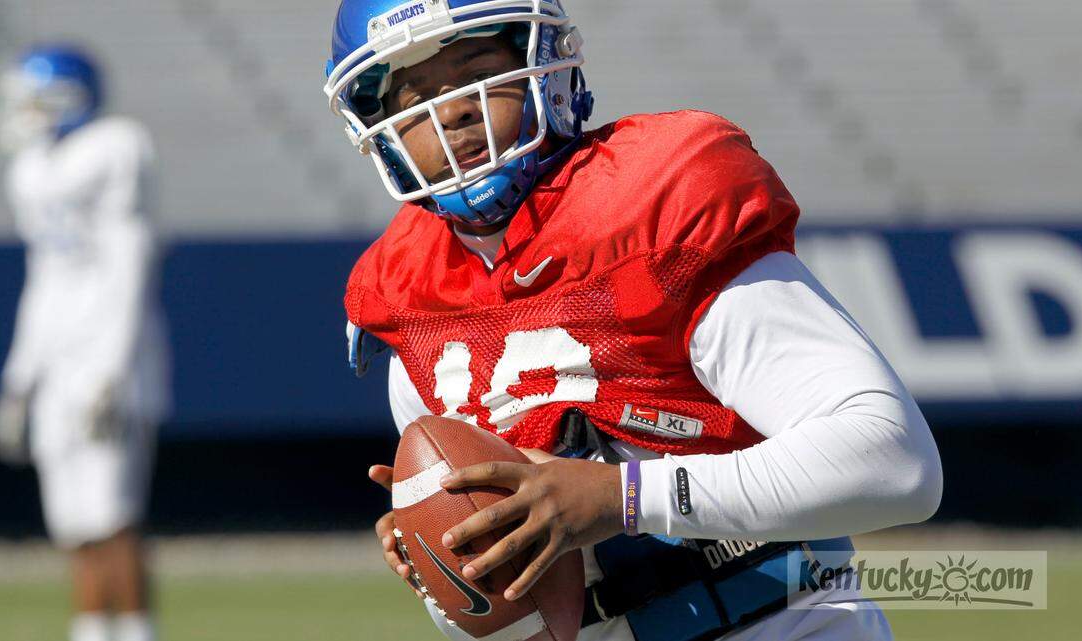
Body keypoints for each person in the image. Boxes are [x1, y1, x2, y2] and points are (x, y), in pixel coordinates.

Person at [323, 2, 943, 639]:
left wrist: (621, 498)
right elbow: (532, 617)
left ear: (545, 66)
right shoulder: (408, 298)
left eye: (476, 67)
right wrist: (449, 549)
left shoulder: (654, 205)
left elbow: (894, 463)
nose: (449, 110)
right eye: (415, 92)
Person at [0, 43, 168, 641]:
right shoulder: (32, 169)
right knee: (73, 523)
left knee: (113, 515)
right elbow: (43, 282)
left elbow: (129, 265)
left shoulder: (114, 146)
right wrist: (21, 380)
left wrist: (109, 375)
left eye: (35, 100)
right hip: (59, 364)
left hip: (106, 361)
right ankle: (91, 632)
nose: (24, 113)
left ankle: (136, 631)